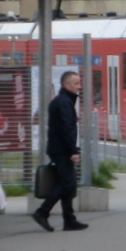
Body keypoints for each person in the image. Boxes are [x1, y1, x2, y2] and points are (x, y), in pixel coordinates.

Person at [32, 71, 89, 232]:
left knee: (68, 184)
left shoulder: (63, 101)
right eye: (76, 83)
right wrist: (73, 151)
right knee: (68, 183)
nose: (79, 87)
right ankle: (42, 211)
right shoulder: (64, 103)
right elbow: (67, 128)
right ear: (66, 85)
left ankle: (69, 219)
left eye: (79, 83)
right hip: (62, 150)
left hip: (59, 148)